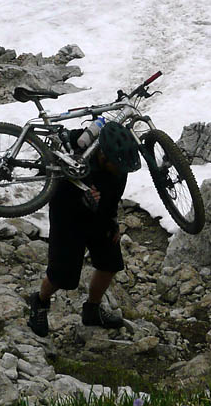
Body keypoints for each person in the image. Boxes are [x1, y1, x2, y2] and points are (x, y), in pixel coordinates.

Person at [28, 121, 141, 337]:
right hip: (67, 213)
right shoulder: (74, 151)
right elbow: (48, 175)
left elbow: (114, 194)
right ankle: (40, 303)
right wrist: (80, 196)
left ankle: (92, 310)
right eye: (117, 166)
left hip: (101, 213)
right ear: (103, 155)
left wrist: (113, 221)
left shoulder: (121, 162)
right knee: (62, 274)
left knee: (110, 262)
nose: (120, 171)